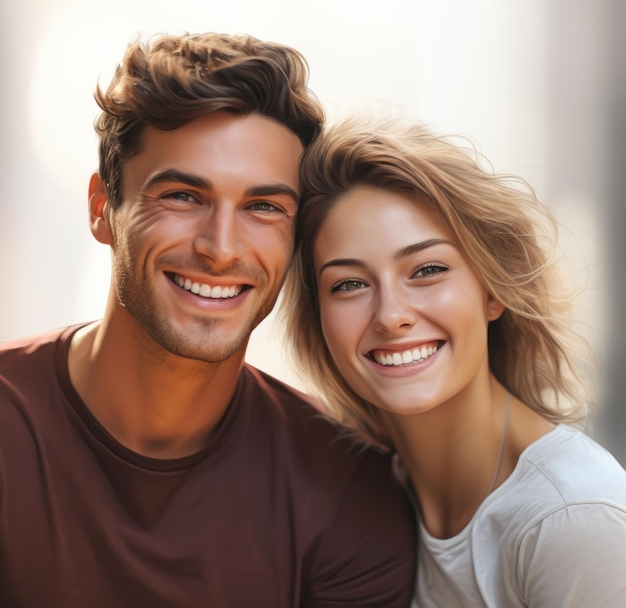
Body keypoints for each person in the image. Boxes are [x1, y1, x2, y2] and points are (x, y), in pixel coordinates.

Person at [0, 34, 417, 607]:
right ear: (103, 209)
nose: (221, 249)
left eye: (264, 207)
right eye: (183, 196)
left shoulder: (347, 494)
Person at [281, 111, 626, 606]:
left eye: (427, 269)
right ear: (319, 320)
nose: (391, 315)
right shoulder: (360, 492)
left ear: (492, 290)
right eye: (350, 284)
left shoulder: (571, 519)